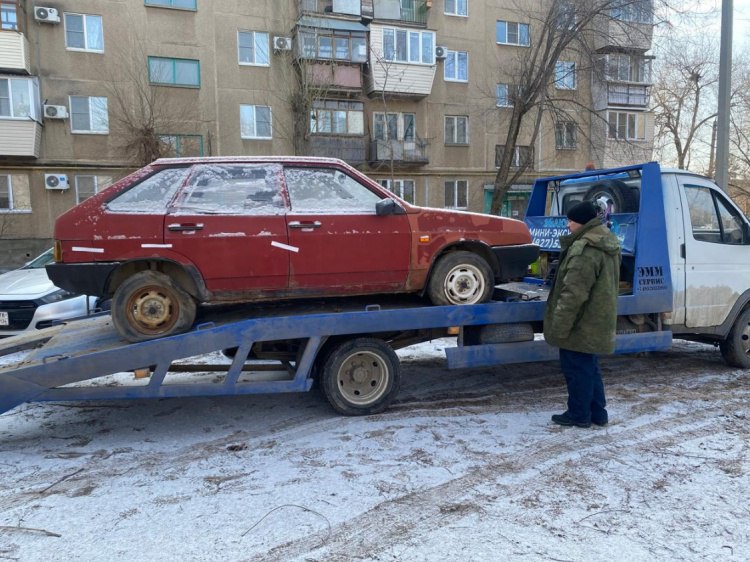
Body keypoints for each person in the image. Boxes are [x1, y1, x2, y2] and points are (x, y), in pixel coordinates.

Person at [543, 200, 621, 428]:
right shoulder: (606, 241)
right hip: (597, 318)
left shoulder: (584, 249)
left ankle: (578, 415)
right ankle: (598, 413)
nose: (568, 225)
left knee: (577, 370)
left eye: (571, 221)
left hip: (581, 323)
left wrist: (560, 327)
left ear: (582, 223)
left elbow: (573, 295)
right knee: (589, 367)